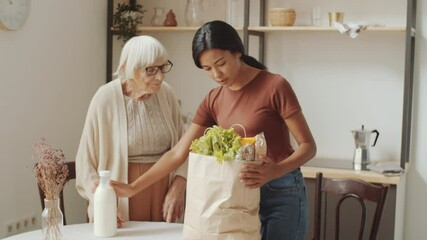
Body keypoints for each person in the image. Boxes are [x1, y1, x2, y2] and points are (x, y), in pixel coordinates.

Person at [111, 20, 317, 240]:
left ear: (237, 52)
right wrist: (133, 187)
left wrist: (274, 171)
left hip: (281, 190)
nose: (217, 75)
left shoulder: (275, 86)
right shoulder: (214, 99)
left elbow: (308, 146)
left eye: (221, 63)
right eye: (207, 69)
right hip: (240, 193)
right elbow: (178, 152)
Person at [75, 35, 187, 225]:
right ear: (129, 67)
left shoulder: (166, 93)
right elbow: (85, 162)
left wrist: (179, 183)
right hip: (120, 199)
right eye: (151, 70)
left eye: (162, 67)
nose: (160, 76)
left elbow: (184, 147)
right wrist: (101, 201)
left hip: (163, 195)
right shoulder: (105, 98)